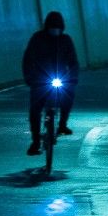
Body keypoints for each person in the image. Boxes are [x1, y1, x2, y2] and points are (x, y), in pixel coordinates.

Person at [22, 10, 80, 154]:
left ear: (62, 28)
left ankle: (62, 125)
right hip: (40, 79)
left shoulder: (66, 40)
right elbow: (27, 59)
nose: (55, 30)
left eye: (57, 28)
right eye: (52, 27)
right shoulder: (37, 39)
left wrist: (73, 77)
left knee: (68, 95)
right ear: (47, 27)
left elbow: (73, 62)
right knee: (35, 109)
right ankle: (35, 141)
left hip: (60, 77)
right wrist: (29, 78)